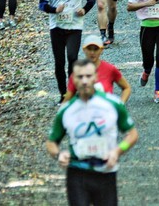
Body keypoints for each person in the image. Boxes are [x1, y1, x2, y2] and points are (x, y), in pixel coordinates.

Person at [46, 58, 139, 206]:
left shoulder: (112, 104)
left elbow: (132, 134)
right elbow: (51, 142)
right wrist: (59, 154)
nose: (84, 81)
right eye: (79, 77)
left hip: (105, 172)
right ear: (73, 80)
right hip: (77, 172)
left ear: (95, 77)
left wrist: (117, 151)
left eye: (88, 76)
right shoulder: (65, 110)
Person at [38, 0, 97, 103]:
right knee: (59, 62)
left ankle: (72, 92)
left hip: (75, 26)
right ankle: (63, 94)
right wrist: (54, 10)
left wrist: (84, 10)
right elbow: (42, 4)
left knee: (72, 57)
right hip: (56, 26)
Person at [62, 35, 132, 104]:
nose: (92, 52)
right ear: (84, 50)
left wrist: (120, 105)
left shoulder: (110, 69)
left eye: (96, 49)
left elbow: (126, 88)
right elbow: (68, 97)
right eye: (89, 49)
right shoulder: (78, 72)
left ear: (101, 50)